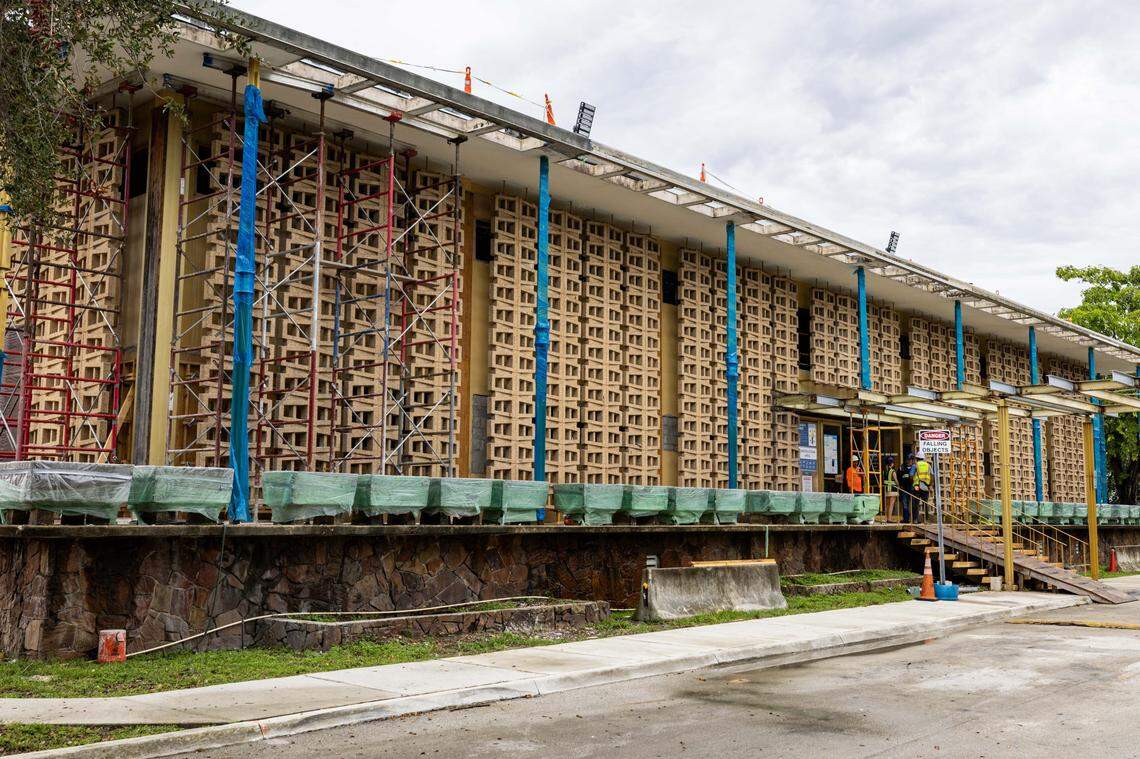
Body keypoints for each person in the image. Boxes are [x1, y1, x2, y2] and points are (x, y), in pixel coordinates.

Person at [913, 452, 934, 521]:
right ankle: (926, 519)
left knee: (916, 503)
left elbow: (910, 475)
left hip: (917, 486)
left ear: (917, 458)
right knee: (925, 503)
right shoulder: (928, 465)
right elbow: (932, 476)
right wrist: (930, 485)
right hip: (925, 486)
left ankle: (916, 519)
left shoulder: (915, 465)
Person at [900, 453, 915, 522]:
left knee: (912, 504)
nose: (908, 461)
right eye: (908, 460)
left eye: (910, 460)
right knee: (905, 504)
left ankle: (913, 519)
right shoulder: (902, 467)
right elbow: (899, 476)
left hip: (912, 488)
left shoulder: (914, 467)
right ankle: (906, 519)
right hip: (904, 488)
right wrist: (901, 485)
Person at [884, 455, 899, 522]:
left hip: (886, 489)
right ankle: (889, 519)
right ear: (892, 463)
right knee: (891, 504)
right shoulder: (893, 471)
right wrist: (898, 485)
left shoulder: (885, 471)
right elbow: (896, 481)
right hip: (892, 490)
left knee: (887, 505)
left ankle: (886, 518)